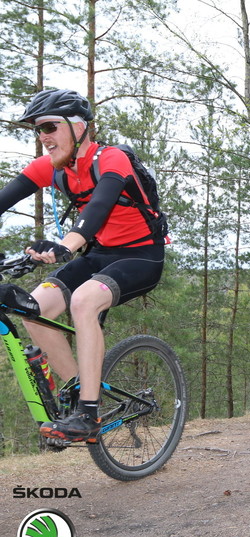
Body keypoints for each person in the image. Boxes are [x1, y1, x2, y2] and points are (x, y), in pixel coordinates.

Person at [0, 89, 166, 443]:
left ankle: (88, 415)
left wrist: (63, 246)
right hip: (99, 256)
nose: (43, 137)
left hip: (140, 256)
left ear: (79, 128)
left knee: (83, 301)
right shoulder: (52, 169)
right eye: (37, 130)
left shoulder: (112, 159)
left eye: (49, 127)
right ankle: (80, 393)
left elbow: (95, 214)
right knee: (34, 310)